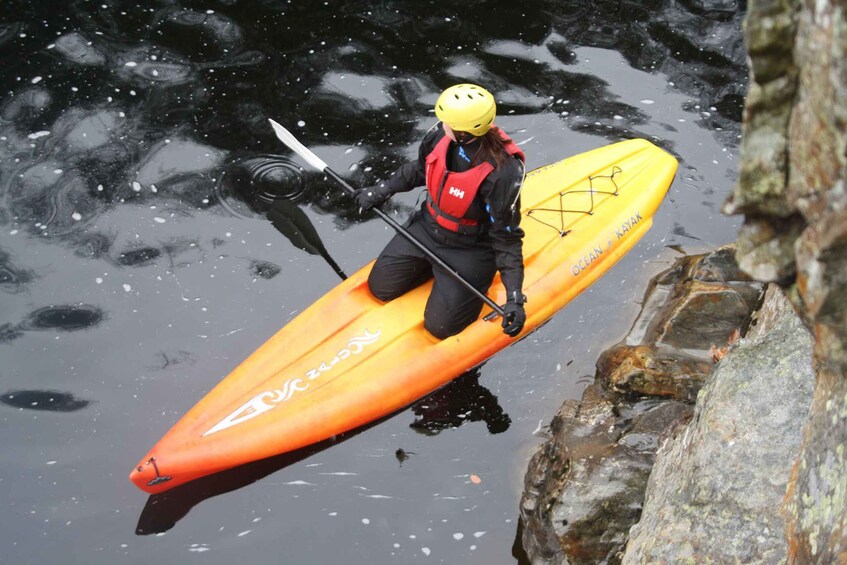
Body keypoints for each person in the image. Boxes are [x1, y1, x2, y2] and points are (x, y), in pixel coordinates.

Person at [356, 83, 526, 340]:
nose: (441, 123)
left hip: (470, 250)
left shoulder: (502, 172)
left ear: (464, 133)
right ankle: (433, 270)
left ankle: (457, 283)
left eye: (447, 121)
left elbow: (506, 237)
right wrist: (380, 191)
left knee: (441, 329)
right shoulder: (438, 136)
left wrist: (515, 297)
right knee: (379, 288)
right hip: (427, 229)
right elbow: (420, 169)